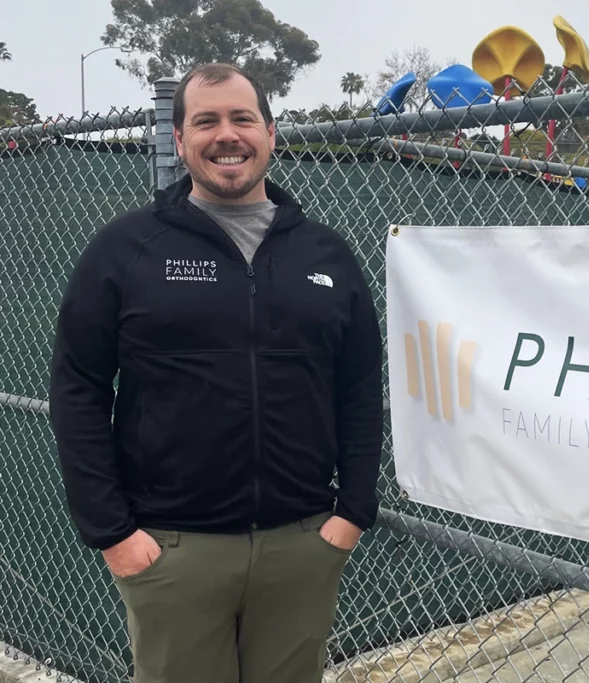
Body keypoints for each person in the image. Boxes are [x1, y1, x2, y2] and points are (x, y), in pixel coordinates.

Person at [48, 62, 384, 683]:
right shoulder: (126, 249)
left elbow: (361, 387)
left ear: (270, 133)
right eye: (205, 121)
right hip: (172, 547)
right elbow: (77, 387)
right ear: (179, 141)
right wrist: (113, 533)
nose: (226, 134)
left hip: (303, 541)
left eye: (241, 118)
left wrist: (352, 512)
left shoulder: (326, 254)